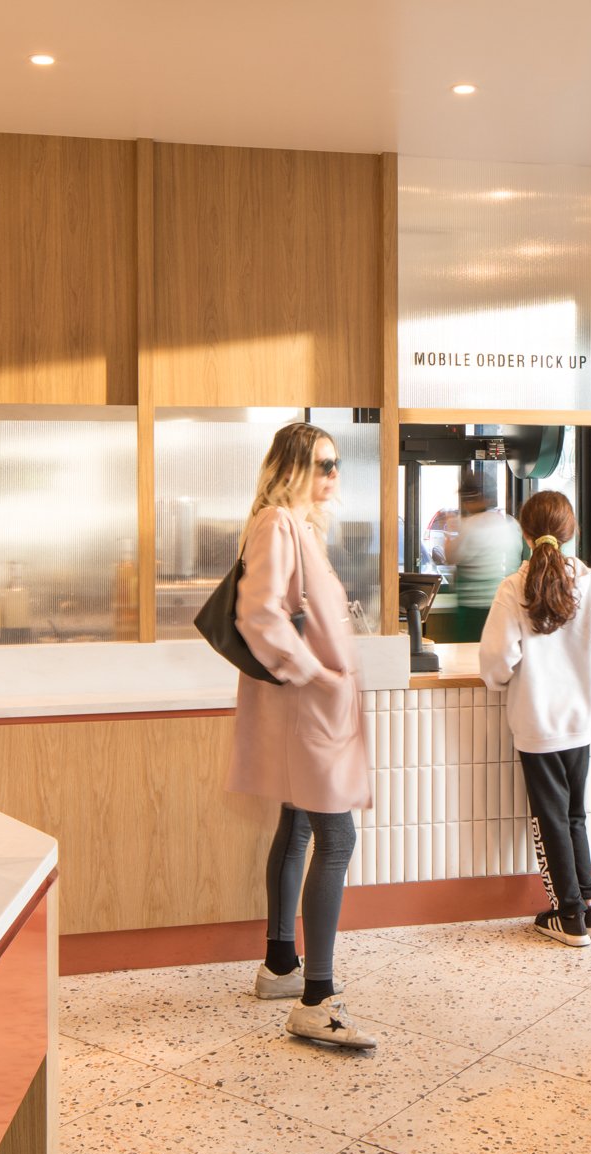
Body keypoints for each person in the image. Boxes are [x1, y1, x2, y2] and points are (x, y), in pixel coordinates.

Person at [228, 422, 376, 1050]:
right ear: (291, 466)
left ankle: (281, 966)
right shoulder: (278, 524)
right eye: (322, 463)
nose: (333, 474)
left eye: (337, 462)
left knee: (297, 825)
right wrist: (314, 673)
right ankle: (317, 1000)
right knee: (336, 835)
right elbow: (256, 611)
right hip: (306, 709)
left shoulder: (297, 525)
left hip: (310, 708)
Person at [479, 491, 591, 947]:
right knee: (574, 815)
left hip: (537, 723)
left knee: (550, 819)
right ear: (572, 532)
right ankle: (588, 907)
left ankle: (566, 915)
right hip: (581, 720)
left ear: (524, 534)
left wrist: (499, 680)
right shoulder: (588, 581)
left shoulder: (514, 586)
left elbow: (496, 660)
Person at [448, 473, 525, 642]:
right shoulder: (510, 523)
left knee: (470, 656)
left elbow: (450, 557)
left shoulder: (470, 526)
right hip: (506, 602)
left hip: (473, 608)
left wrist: (449, 530)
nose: (465, 504)